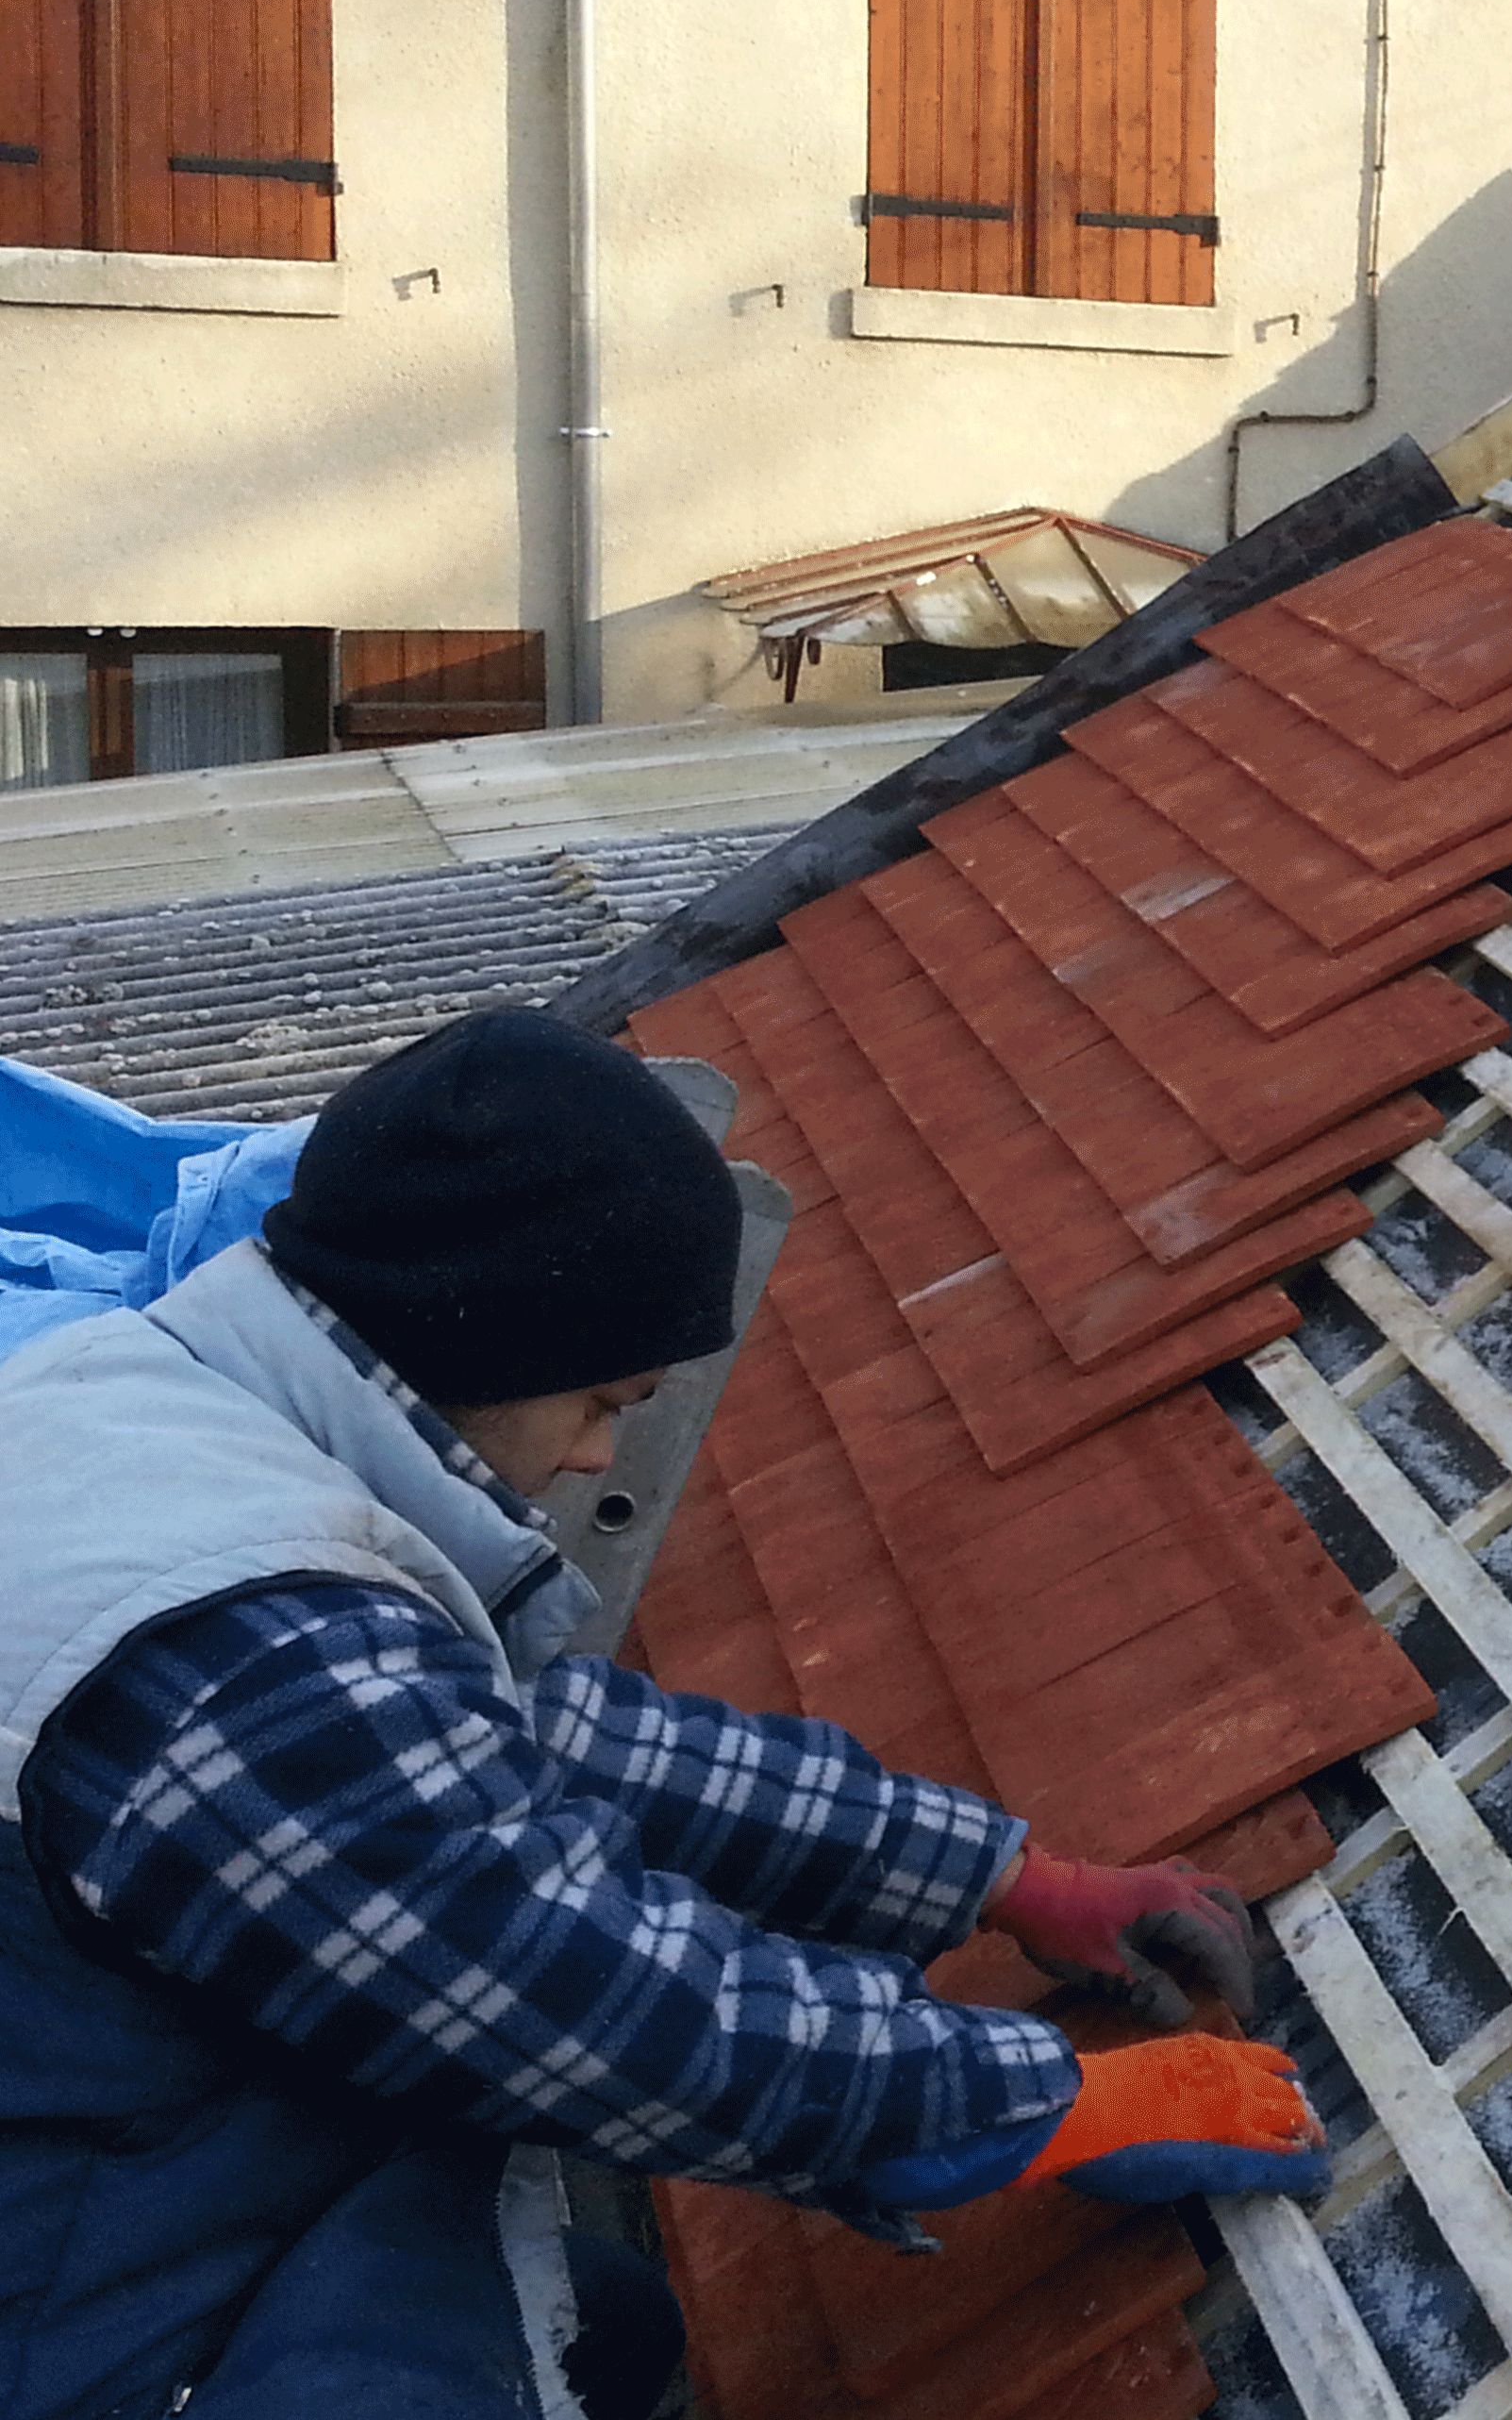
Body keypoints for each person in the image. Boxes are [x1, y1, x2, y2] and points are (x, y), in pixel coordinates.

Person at [0, 1009, 1331, 2420]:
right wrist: (1036, 2101)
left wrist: (1002, 1875)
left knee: (600, 2324)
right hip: (53, 2271)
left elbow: (528, 1749)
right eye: (598, 1397)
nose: (593, 1453)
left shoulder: (150, 1404)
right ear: (492, 1333)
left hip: (104, 2110)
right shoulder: (237, 1652)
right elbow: (578, 1990)